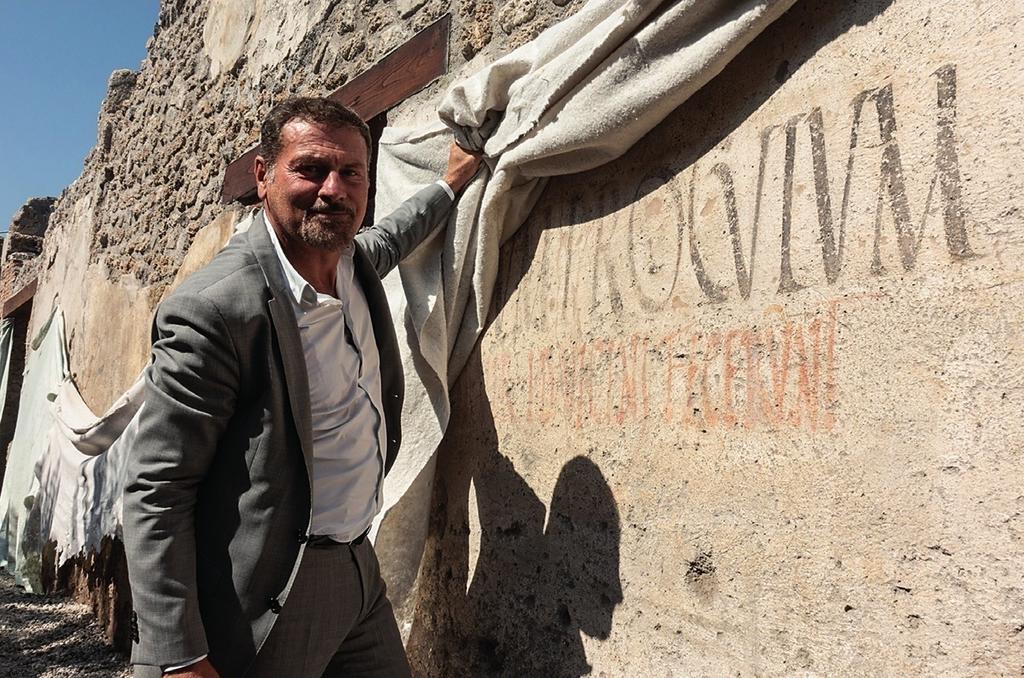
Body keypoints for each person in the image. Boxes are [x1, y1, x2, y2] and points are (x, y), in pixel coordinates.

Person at [123, 96, 482, 678]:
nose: (333, 190)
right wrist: (176, 653)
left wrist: (450, 184)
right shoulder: (216, 309)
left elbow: (395, 234)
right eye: (311, 169)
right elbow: (158, 486)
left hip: (359, 569)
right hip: (274, 591)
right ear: (263, 175)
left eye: (351, 173)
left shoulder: (353, 262)